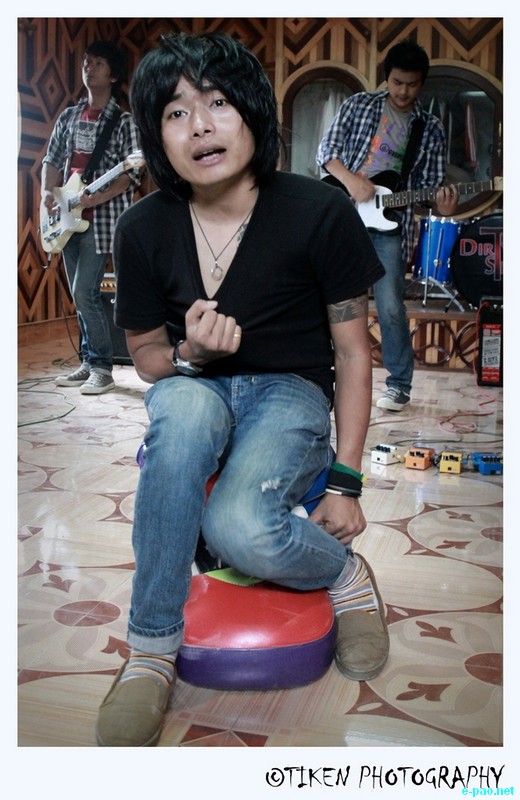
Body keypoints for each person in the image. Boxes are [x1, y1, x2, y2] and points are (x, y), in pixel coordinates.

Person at [95, 31, 387, 748]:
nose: (199, 125)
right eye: (175, 112)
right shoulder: (141, 228)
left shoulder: (318, 211)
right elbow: (146, 358)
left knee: (240, 528)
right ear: (156, 137)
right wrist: (188, 353)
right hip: (194, 386)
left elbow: (353, 353)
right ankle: (151, 649)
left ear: (253, 111)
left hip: (290, 390)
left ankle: (346, 575)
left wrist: (345, 482)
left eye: (217, 102)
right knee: (182, 413)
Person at [317, 40, 459, 412]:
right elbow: (326, 153)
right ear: (387, 78)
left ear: (422, 83)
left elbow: (428, 187)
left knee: (392, 306)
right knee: (332, 300)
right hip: (343, 215)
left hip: (390, 225)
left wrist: (441, 203)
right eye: (397, 82)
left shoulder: (429, 128)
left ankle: (398, 386)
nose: (403, 91)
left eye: (412, 84)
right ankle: (321, 375)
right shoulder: (359, 105)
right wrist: (352, 181)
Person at [41, 40, 141, 395]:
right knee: (78, 293)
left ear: (113, 75)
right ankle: (87, 362)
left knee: (85, 292)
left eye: (98, 62)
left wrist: (98, 196)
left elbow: (132, 173)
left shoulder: (124, 122)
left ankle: (102, 368)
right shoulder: (69, 116)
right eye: (87, 61)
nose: (89, 67)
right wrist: (47, 193)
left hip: (102, 220)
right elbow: (52, 160)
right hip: (66, 218)